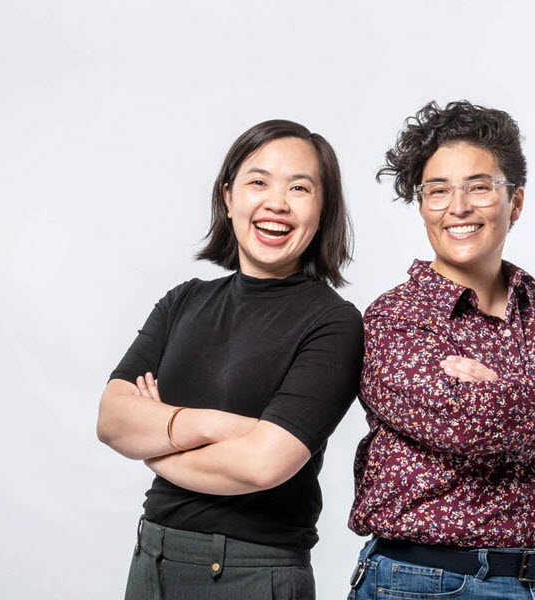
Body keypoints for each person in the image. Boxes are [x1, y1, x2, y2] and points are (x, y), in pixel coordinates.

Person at [346, 101, 535, 600]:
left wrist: (503, 394)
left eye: (478, 187)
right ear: (422, 206)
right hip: (428, 583)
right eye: (438, 191)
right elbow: (466, 426)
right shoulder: (395, 318)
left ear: (514, 202)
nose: (457, 207)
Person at [97, 119, 363, 600]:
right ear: (228, 197)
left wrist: (156, 442)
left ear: (323, 210)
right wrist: (213, 425)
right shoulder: (183, 301)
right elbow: (112, 420)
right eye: (258, 182)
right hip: (151, 558)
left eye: (299, 188)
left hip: (250, 572)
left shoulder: (334, 323)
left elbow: (262, 465)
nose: (276, 203)